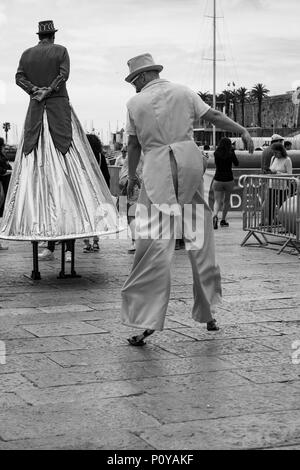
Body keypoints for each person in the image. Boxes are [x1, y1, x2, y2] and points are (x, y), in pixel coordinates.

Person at [121, 53, 254, 346]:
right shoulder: (183, 91)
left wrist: (132, 176)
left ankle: (146, 319)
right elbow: (214, 116)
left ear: (142, 77)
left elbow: (132, 145)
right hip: (190, 164)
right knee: (200, 235)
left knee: (153, 242)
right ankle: (208, 312)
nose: (133, 86)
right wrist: (242, 130)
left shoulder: (135, 103)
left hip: (158, 168)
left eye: (133, 80)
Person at [0, 20, 120, 262]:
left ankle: (46, 242)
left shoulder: (27, 54)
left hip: (36, 109)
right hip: (58, 109)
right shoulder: (61, 51)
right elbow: (63, 76)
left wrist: (35, 90)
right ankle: (70, 243)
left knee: (36, 167)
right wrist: (49, 90)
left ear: (39, 36)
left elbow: (18, 77)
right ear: (53, 36)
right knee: (70, 166)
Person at [83, 133, 111, 253]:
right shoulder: (100, 157)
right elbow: (106, 176)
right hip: (98, 191)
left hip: (85, 190)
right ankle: (95, 242)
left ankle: (86, 242)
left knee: (85, 216)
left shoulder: (83, 157)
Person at [212, 137, 239, 229]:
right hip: (229, 179)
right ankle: (223, 220)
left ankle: (215, 216)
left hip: (218, 179)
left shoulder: (216, 153)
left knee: (217, 201)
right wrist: (232, 151)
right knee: (226, 201)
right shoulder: (231, 153)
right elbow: (237, 163)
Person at [268, 143, 293, 225]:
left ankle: (284, 223)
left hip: (282, 187)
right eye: (273, 153)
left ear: (281, 151)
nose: (275, 155)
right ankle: (272, 222)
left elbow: (290, 174)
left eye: (276, 153)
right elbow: (271, 169)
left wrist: (277, 173)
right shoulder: (273, 158)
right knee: (270, 205)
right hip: (272, 185)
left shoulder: (287, 160)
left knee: (282, 206)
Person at [0, 138, 12, 250]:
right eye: (3, 147)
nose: (5, 149)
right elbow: (1, 171)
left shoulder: (3, 157)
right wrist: (13, 171)